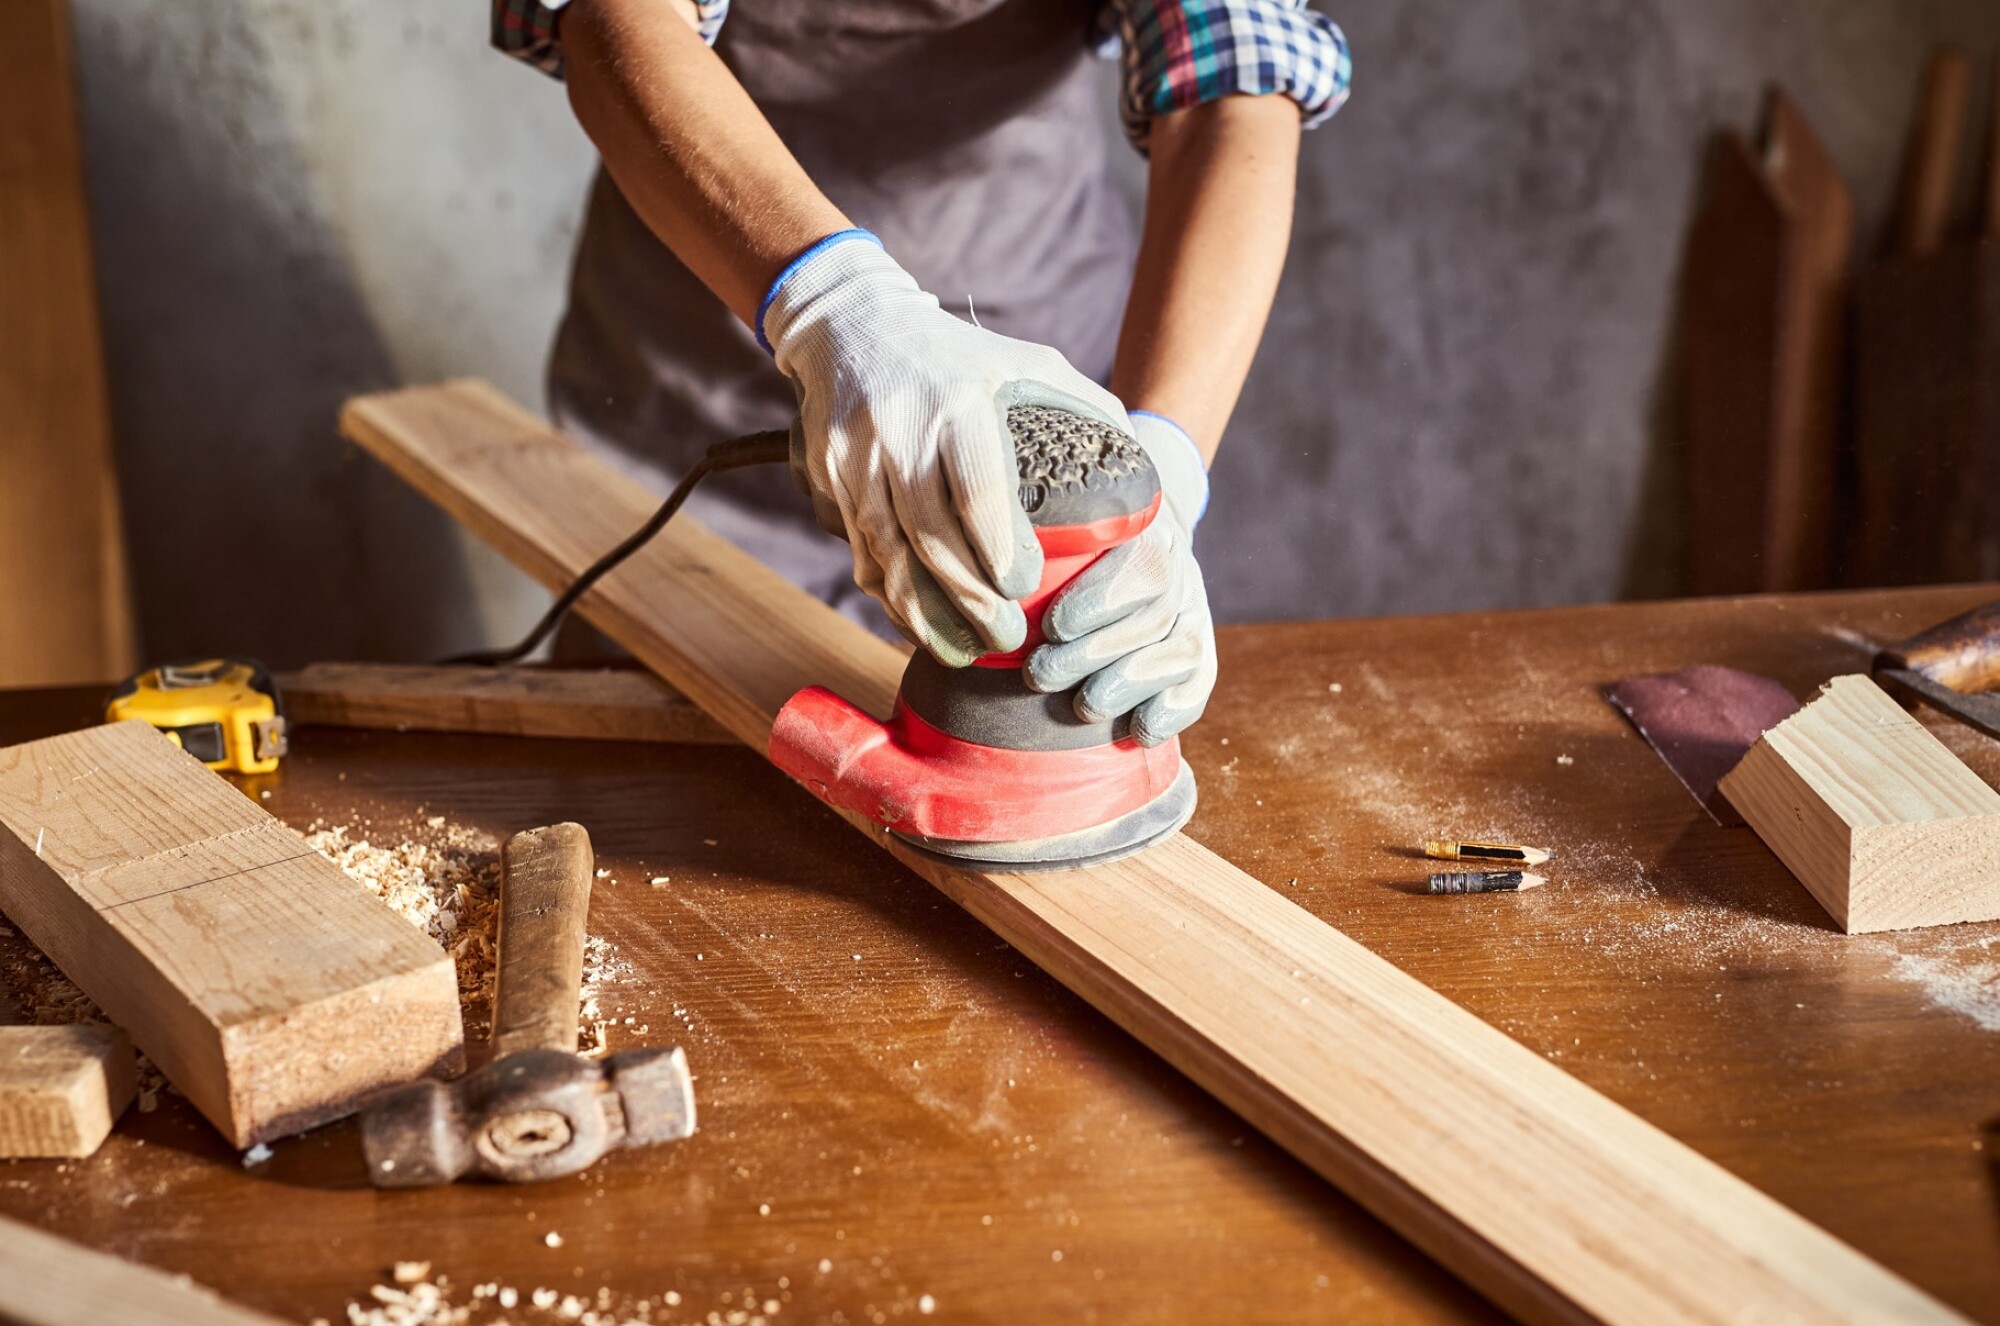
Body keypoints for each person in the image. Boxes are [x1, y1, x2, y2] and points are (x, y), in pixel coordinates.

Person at [494, 0, 1348, 746]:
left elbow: (1232, 79)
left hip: (1026, 342)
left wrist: (1162, 461)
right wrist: (838, 307)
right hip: (694, 369)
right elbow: (616, 11)